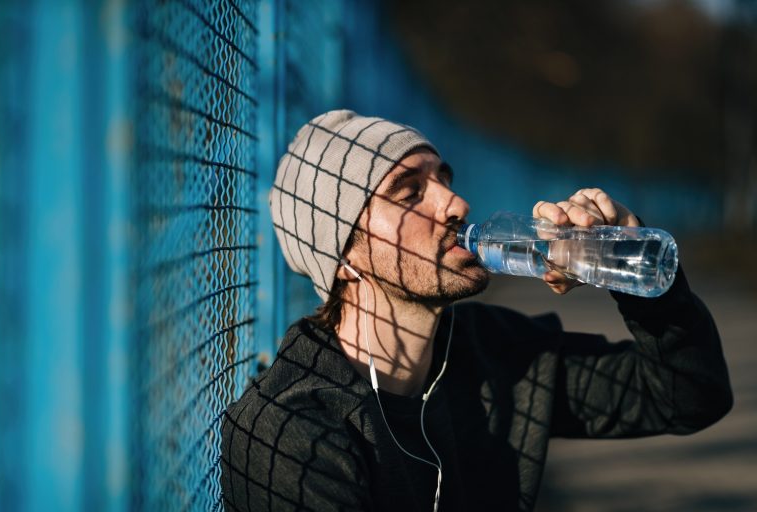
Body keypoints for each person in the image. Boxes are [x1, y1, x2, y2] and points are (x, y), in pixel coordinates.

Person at [220, 110, 732, 511]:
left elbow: (689, 397)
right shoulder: (288, 432)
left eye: (443, 179)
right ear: (344, 254)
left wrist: (634, 274)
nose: (456, 203)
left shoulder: (493, 353)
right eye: (410, 193)